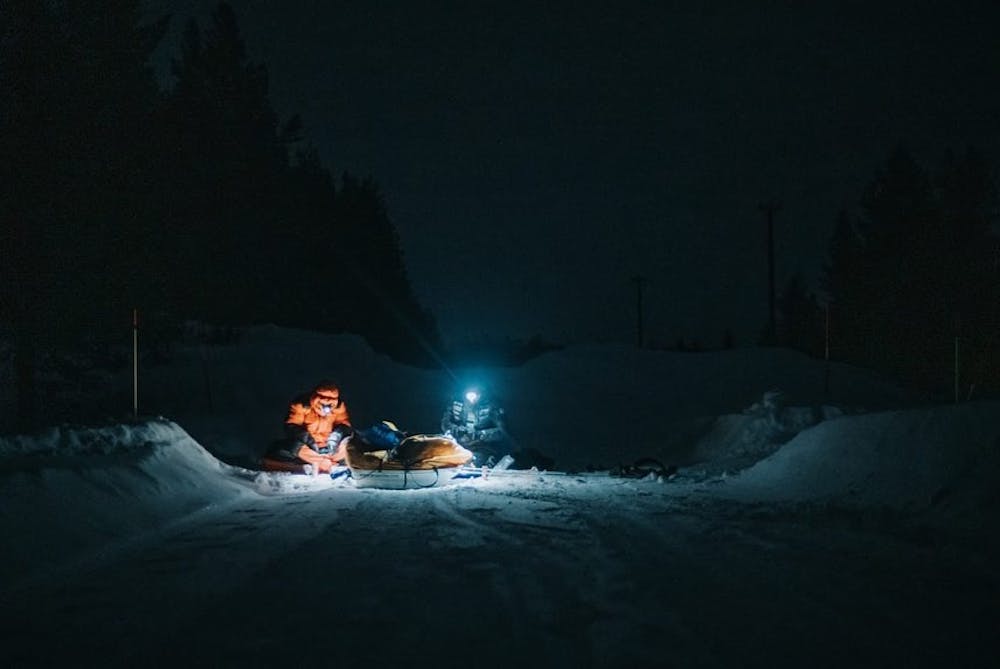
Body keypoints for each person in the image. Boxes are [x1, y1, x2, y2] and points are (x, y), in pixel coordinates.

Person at [282, 380, 353, 474]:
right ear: (314, 396)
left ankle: (328, 461)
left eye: (331, 398)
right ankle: (323, 462)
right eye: (323, 397)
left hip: (331, 448)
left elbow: (344, 425)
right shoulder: (302, 405)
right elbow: (292, 426)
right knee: (294, 446)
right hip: (309, 447)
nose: (327, 401)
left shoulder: (338, 407)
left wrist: (335, 437)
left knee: (349, 444)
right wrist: (309, 440)